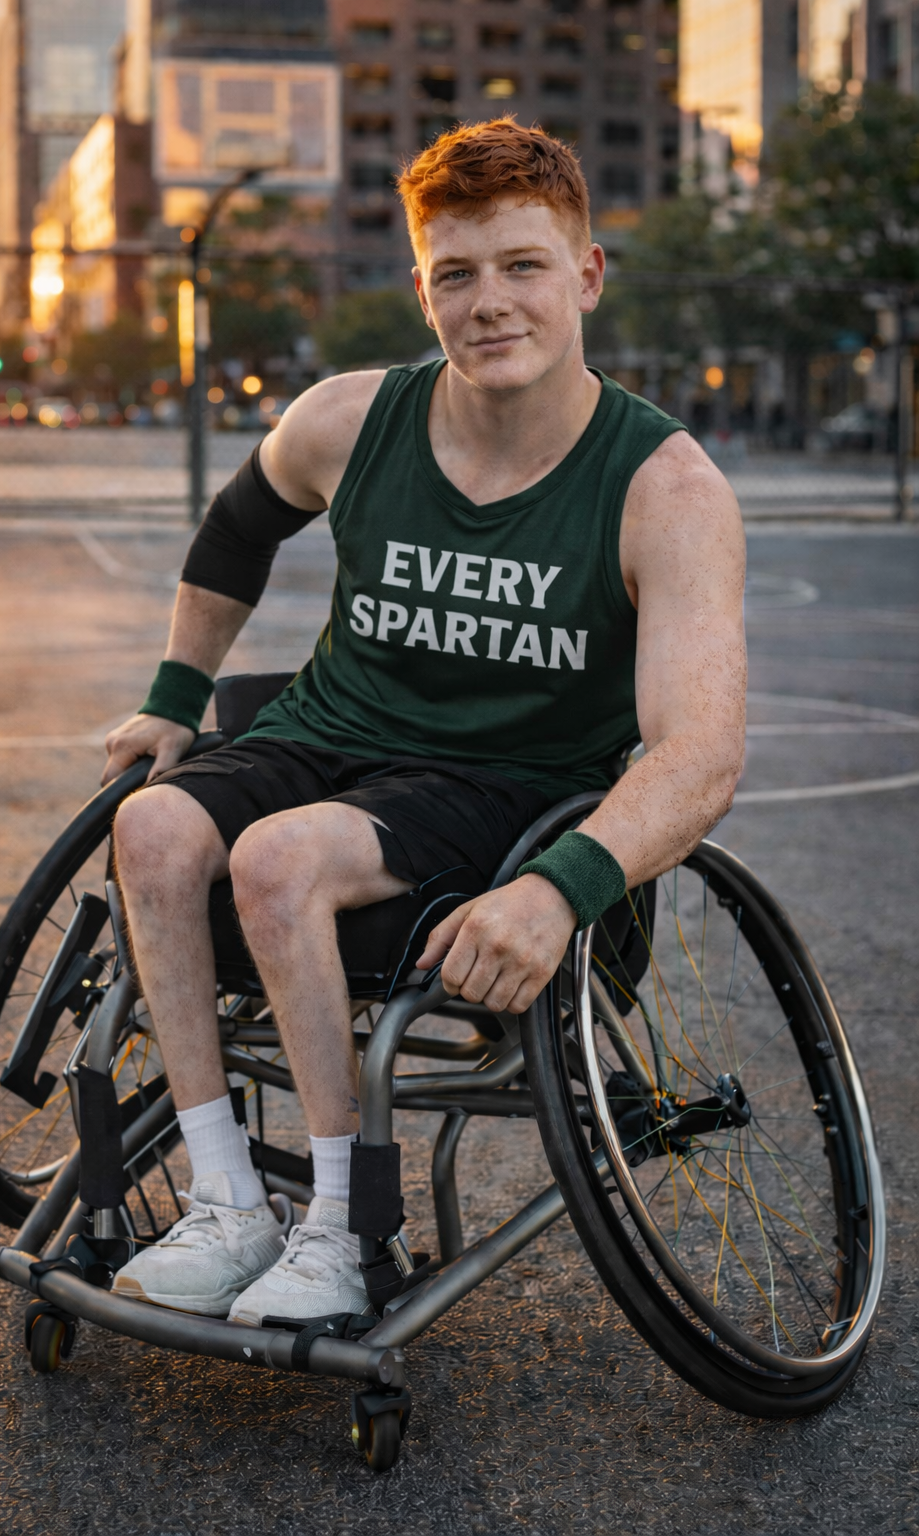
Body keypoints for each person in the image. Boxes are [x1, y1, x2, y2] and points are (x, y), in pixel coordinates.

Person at [104, 119, 746, 1324]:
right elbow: (238, 530)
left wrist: (557, 892)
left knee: (277, 857)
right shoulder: (350, 419)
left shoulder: (665, 488)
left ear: (586, 275)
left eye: (521, 266)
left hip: (509, 782)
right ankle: (230, 1201)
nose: (488, 301)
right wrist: (174, 697)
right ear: (420, 288)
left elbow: (701, 754)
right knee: (151, 831)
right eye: (456, 274)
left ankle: (345, 1228)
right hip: (335, 729)